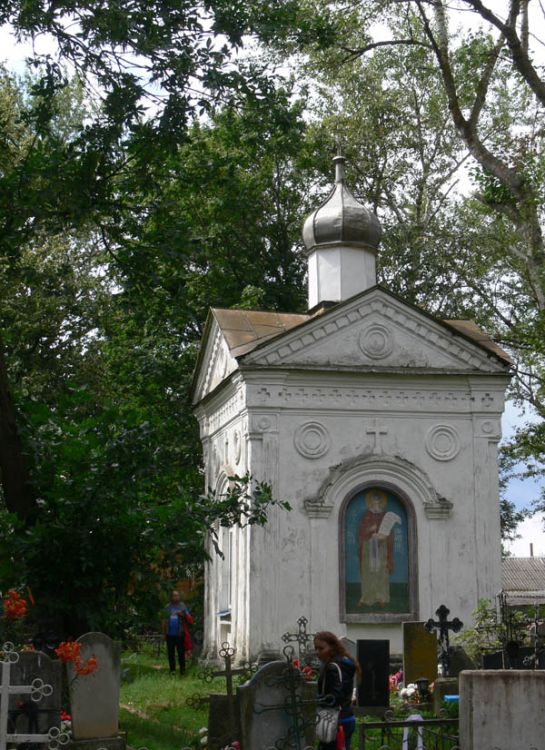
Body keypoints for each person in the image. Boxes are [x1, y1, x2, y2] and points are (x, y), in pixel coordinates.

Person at [314, 631, 361, 750]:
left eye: (321, 648)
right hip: (347, 717)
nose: (317, 652)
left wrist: (317, 700)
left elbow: (335, 697)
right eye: (316, 648)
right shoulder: (344, 663)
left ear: (332, 648)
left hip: (335, 721)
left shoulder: (332, 667)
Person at [358, 488, 400, 607]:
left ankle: (381, 597)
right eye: (373, 502)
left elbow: (389, 533)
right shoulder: (367, 515)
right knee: (368, 571)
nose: (375, 504)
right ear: (370, 503)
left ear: (381, 503)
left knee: (381, 571)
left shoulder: (384, 515)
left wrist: (383, 536)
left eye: (378, 502)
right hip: (368, 547)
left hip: (381, 548)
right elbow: (361, 532)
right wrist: (369, 530)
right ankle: (366, 597)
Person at [162, 590, 194, 675]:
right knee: (171, 654)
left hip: (180, 633)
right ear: (171, 597)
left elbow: (188, 617)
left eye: (177, 595)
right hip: (169, 634)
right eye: (174, 596)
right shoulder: (167, 607)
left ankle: (182, 671)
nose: (176, 597)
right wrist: (164, 634)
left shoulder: (182, 606)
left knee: (181, 653)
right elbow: (164, 620)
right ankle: (172, 670)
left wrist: (182, 614)